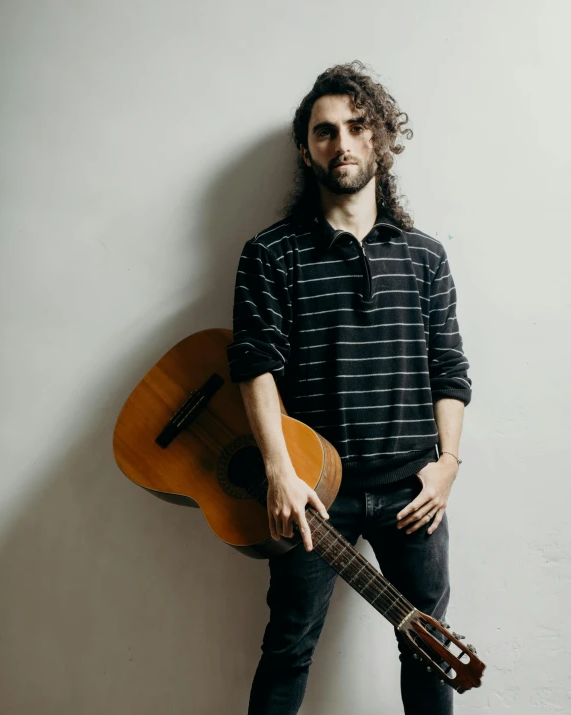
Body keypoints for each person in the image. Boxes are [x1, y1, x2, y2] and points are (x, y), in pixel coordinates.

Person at [226, 60, 471, 715]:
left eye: (358, 127)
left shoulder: (425, 256)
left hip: (412, 493)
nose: (343, 142)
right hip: (311, 491)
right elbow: (254, 365)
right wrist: (279, 470)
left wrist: (447, 465)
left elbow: (449, 369)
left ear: (380, 139)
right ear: (307, 149)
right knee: (288, 647)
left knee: (430, 652)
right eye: (325, 131)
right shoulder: (270, 253)